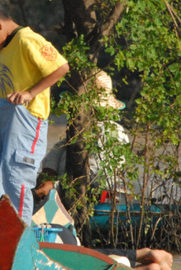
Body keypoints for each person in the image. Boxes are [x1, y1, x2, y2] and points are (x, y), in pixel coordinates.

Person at [0, 0, 69, 224]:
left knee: (16, 178)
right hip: (4, 118)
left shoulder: (27, 40)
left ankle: (17, 234)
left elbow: (61, 67)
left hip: (27, 120)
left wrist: (30, 93)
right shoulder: (2, 48)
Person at [34, 69, 131, 203]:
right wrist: (48, 177)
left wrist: (55, 187)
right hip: (68, 194)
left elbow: (95, 178)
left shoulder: (112, 133)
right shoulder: (74, 135)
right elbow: (55, 157)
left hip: (99, 200)